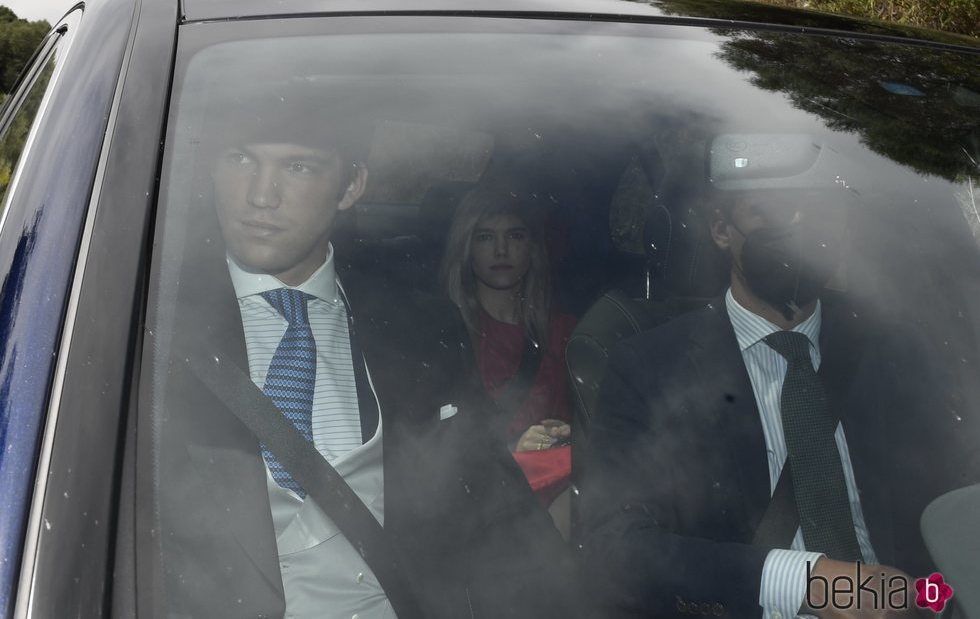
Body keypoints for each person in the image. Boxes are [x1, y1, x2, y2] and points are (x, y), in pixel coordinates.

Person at [154, 93, 582, 619]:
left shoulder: (422, 326)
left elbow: (497, 497)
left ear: (351, 186)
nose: (260, 195)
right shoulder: (152, 328)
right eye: (240, 158)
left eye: (297, 166)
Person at [579, 136, 975, 619]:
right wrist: (803, 580)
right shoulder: (649, 368)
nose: (799, 227)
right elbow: (612, 548)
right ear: (722, 228)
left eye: (818, 210)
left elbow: (960, 500)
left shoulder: (894, 347)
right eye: (768, 209)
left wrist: (932, 600)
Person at [442, 187, 576, 454]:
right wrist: (513, 449)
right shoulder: (446, 336)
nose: (501, 250)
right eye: (485, 237)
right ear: (466, 248)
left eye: (515, 236)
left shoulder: (564, 332)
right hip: (484, 486)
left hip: (556, 476)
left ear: (532, 247)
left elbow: (582, 422)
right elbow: (439, 446)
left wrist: (563, 434)